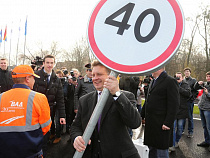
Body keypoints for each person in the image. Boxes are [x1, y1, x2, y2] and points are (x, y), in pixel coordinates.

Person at [70, 60, 141, 158]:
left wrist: (116, 93)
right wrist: (76, 138)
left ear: (111, 76)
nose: (95, 78)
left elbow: (135, 122)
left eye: (99, 74)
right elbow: (75, 127)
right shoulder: (84, 100)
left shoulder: (125, 96)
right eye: (93, 75)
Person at [0, 65, 51, 158]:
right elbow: (46, 127)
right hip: (30, 151)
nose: (34, 81)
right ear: (27, 78)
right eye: (33, 78)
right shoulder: (39, 98)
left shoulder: (1, 97)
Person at [141, 67, 179, 158]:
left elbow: (174, 104)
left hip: (161, 124)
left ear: (159, 68)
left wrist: (168, 122)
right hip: (151, 123)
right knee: (152, 150)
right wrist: (142, 115)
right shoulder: (153, 81)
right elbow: (148, 100)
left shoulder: (170, 81)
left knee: (161, 152)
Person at [33, 55, 66, 154]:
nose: (49, 65)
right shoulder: (35, 76)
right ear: (43, 63)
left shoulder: (56, 79)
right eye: (47, 62)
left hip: (49, 111)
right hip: (35, 111)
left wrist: (62, 115)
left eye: (52, 63)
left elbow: (60, 98)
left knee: (45, 136)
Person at [169, 72, 191, 152]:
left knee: (180, 128)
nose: (178, 78)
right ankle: (172, 144)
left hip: (182, 110)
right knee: (172, 128)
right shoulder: (172, 84)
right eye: (176, 77)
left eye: (179, 77)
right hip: (174, 110)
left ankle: (176, 141)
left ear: (182, 78)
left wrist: (178, 88)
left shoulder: (185, 85)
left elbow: (188, 94)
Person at [194, 71, 210, 152]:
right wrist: (197, 83)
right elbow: (195, 88)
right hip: (201, 107)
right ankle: (207, 141)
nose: (208, 78)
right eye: (207, 76)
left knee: (209, 127)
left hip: (208, 109)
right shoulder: (205, 84)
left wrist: (207, 93)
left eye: (209, 76)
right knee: (204, 126)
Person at [183, 67, 198, 138]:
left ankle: (190, 131)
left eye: (188, 71)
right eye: (185, 72)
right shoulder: (183, 80)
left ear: (190, 72)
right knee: (182, 116)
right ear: (184, 73)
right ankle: (182, 130)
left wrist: (192, 99)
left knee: (189, 117)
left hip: (190, 101)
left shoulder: (193, 80)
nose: (187, 73)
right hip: (183, 101)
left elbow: (196, 91)